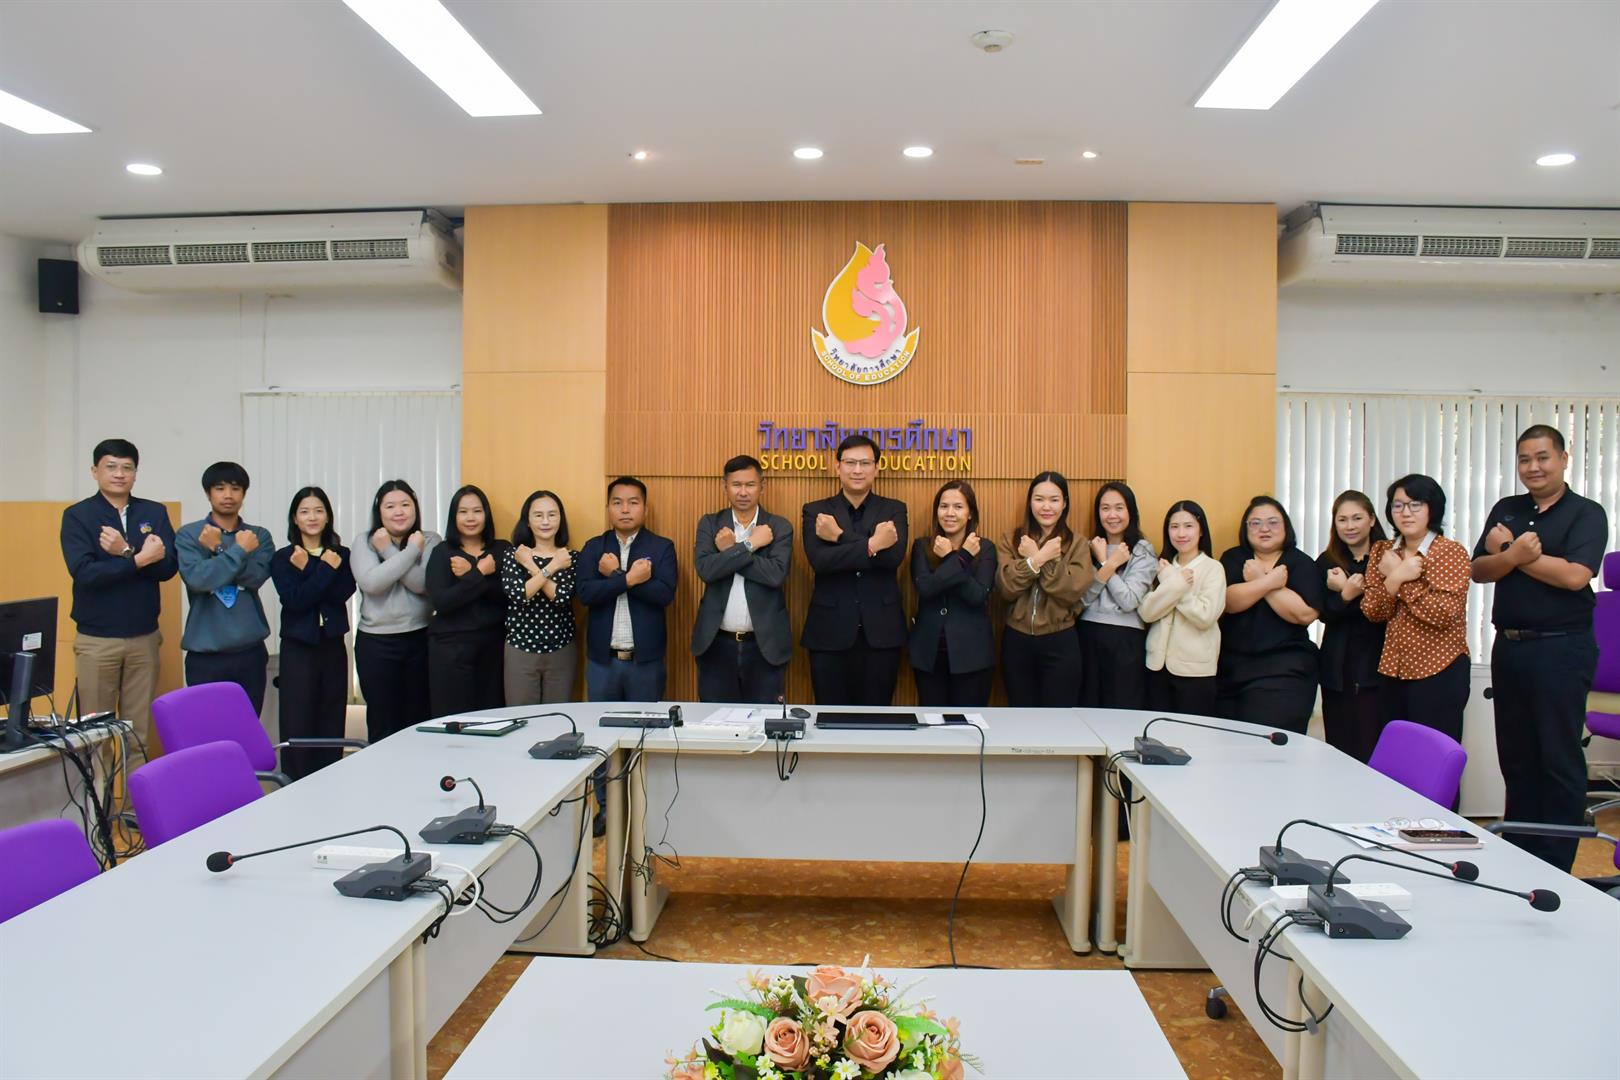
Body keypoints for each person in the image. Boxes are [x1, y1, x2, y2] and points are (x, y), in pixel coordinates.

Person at [1471, 424, 1609, 872]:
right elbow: (1479, 569)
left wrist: (1511, 552)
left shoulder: (1586, 513)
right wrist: (1514, 556)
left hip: (1561, 650)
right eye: (1524, 459)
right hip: (1510, 647)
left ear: (1563, 459)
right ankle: (1522, 857)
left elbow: (1574, 576)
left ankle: (1556, 863)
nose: (1533, 467)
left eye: (1542, 457)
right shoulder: (1506, 508)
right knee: (1517, 757)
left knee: (1556, 757)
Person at [59, 438, 177, 763]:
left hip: (144, 637)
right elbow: (86, 573)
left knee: (138, 736)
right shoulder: (78, 516)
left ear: (136, 473)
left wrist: (124, 552)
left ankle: (135, 799)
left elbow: (167, 568)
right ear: (94, 471)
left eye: (127, 467)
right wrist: (139, 559)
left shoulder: (153, 512)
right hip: (98, 640)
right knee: (95, 738)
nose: (119, 474)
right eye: (111, 467)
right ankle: (100, 800)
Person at [1360, 475, 1471, 743]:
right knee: (1395, 756)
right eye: (1398, 505)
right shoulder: (1382, 551)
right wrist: (1398, 576)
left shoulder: (1449, 552)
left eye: (1415, 504)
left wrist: (1398, 578)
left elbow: (1443, 614)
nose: (1405, 512)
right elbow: (1373, 610)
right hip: (1393, 670)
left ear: (1433, 508)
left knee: (1434, 757)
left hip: (1439, 669)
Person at [800, 435, 909, 705]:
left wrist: (838, 537)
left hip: (881, 633)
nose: (857, 470)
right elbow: (821, 561)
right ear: (837, 466)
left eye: (864, 463)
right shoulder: (816, 512)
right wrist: (872, 545)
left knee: (877, 718)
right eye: (850, 463)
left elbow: (892, 558)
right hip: (829, 633)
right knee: (829, 717)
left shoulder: (894, 509)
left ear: (877, 468)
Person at [1216, 496, 1324, 734]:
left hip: (1285, 669)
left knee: (1268, 744)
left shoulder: (1301, 563)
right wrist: (1269, 582)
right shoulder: (1234, 558)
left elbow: (1304, 614)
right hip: (1232, 668)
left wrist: (1257, 581)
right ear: (1246, 528)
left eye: (1273, 522)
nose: (1264, 529)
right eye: (1255, 523)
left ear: (1286, 526)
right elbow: (1228, 602)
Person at [692, 455, 794, 704]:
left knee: (764, 721)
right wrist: (750, 545)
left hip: (764, 646)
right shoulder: (710, 523)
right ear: (724, 486)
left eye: (750, 484)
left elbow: (775, 574)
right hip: (717, 644)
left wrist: (730, 551)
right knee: (715, 721)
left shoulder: (778, 527)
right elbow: (706, 570)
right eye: (736, 484)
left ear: (762, 486)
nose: (743, 492)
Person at [269, 487, 355, 780]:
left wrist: (310, 569)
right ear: (295, 518)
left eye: (319, 510)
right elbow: (296, 600)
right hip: (298, 647)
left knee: (332, 715)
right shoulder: (283, 558)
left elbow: (341, 594)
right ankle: (294, 782)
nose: (312, 517)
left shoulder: (342, 554)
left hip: (332, 644)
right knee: (297, 718)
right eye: (305, 511)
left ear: (328, 516)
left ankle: (330, 780)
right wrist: (321, 570)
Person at [175, 462, 275, 713]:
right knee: (208, 727)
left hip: (250, 652)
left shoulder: (257, 536)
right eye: (220, 488)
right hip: (205, 655)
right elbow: (198, 579)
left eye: (235, 488)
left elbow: (254, 577)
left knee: (247, 725)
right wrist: (239, 552)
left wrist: (218, 550)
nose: (228, 495)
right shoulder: (190, 535)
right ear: (208, 493)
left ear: (244, 493)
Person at [350, 480, 439, 743]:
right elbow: (371, 583)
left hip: (420, 638)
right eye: (390, 506)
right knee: (382, 721)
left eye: (405, 505)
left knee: (419, 719)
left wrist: (388, 550)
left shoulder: (429, 540)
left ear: (415, 508)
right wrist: (411, 553)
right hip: (376, 643)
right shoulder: (365, 541)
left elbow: (422, 584)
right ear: (379, 511)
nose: (399, 512)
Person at [995, 471, 1094, 707]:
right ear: (1030, 502)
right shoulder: (1011, 540)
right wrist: (1037, 559)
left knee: (1058, 718)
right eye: (1039, 499)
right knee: (1021, 714)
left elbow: (1071, 591)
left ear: (1064, 503)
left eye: (1054, 500)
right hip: (1016, 640)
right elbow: (1006, 587)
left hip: (1060, 641)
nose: (1046, 507)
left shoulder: (1078, 544)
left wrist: (1040, 559)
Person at [576, 476, 678, 701]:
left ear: (645, 509)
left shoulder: (661, 547)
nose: (625, 509)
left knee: (646, 722)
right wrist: (630, 579)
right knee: (602, 721)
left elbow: (664, 594)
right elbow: (585, 593)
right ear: (608, 509)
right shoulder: (594, 547)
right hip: (603, 662)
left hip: (646, 663)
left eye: (633, 502)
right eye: (617, 503)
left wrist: (615, 574)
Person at [909, 481, 997, 707]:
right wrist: (962, 558)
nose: (949, 513)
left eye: (958, 507)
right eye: (943, 506)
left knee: (969, 723)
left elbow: (977, 595)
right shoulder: (922, 546)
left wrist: (951, 558)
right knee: (933, 723)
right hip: (929, 654)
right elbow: (926, 589)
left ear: (970, 513)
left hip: (972, 655)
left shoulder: (985, 548)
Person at [1316, 490, 1389, 762]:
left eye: (1357, 518)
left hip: (1376, 666)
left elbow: (1383, 610)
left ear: (1372, 519)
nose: (1350, 526)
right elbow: (1323, 613)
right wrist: (1346, 594)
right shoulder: (1327, 562)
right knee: (1339, 749)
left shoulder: (1388, 559)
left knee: (1372, 747)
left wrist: (1351, 592)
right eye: (1342, 519)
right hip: (1337, 668)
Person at [425, 485, 508, 718]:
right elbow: (442, 602)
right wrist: (480, 572)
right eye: (463, 512)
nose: (471, 518)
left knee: (491, 718)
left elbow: (507, 595)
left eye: (477, 511)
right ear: (454, 516)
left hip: (493, 647)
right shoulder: (443, 552)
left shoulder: (501, 550)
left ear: (486, 514)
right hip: (450, 648)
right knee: (453, 719)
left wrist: (470, 574)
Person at [1139, 500, 1225, 717]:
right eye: (1174, 527)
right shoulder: (1162, 566)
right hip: (1157, 667)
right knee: (1157, 731)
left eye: (1188, 526)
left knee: (1192, 733)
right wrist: (1175, 581)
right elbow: (1147, 613)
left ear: (1201, 530)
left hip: (1195, 671)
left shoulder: (1213, 568)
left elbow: (1205, 616)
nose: (1181, 533)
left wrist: (1172, 582)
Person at [1078, 482, 1156, 710]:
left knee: (1121, 711)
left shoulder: (1142, 549)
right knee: (1087, 710)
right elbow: (1082, 600)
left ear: (1131, 512)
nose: (1112, 515)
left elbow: (1129, 600)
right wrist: (1109, 562)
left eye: (1119, 508)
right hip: (1087, 634)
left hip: (1125, 640)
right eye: (1105, 508)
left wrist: (1105, 563)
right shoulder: (1089, 547)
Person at [501, 490, 579, 705]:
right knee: (521, 716)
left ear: (560, 519)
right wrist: (551, 567)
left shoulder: (570, 558)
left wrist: (532, 566)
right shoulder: (515, 555)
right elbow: (519, 594)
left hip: (561, 649)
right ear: (527, 521)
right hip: (520, 648)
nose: (546, 521)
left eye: (552, 515)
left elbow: (561, 597)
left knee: (558, 717)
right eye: (538, 515)